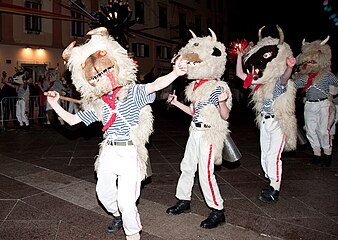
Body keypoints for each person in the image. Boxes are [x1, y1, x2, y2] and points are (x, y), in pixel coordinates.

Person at [45, 27, 188, 240]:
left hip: (129, 153)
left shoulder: (134, 92)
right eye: (98, 75)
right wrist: (55, 105)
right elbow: (74, 120)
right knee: (104, 195)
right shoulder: (98, 103)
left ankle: (132, 234)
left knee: (127, 203)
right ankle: (117, 215)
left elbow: (156, 84)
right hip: (108, 153)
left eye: (106, 70)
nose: (103, 76)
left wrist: (176, 72)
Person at [166, 29, 233, 229]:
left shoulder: (217, 86)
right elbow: (194, 111)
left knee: (205, 172)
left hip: (209, 134)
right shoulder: (195, 87)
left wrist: (222, 103)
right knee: (187, 166)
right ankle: (183, 201)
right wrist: (177, 103)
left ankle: (217, 210)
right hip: (194, 131)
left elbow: (226, 115)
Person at [235, 25, 297, 203]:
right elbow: (240, 73)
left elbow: (285, 78)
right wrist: (240, 56)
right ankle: (271, 181)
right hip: (264, 122)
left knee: (273, 156)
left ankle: (275, 188)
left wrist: (289, 67)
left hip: (278, 123)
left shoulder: (277, 82)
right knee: (265, 155)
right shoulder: (258, 84)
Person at [292, 36, 338, 167]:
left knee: (323, 131)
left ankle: (327, 155)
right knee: (311, 131)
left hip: (323, 104)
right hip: (309, 104)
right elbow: (292, 86)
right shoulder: (304, 77)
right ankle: (317, 154)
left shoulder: (328, 75)